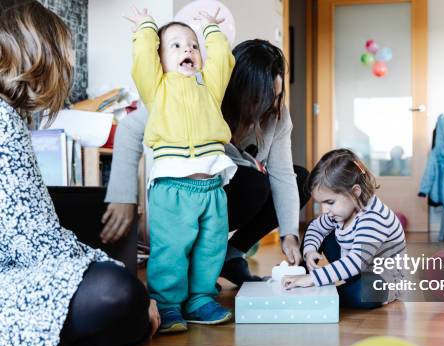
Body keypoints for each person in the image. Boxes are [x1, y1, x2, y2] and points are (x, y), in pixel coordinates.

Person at [0, 1, 157, 346]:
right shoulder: (4, 121)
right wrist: (119, 272)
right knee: (118, 292)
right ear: (38, 54)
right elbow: (38, 244)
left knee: (119, 291)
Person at [102, 39, 309, 285]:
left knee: (301, 179)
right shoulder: (196, 90)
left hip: (227, 195)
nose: (269, 107)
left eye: (274, 97)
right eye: (260, 99)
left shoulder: (276, 113)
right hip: (186, 196)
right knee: (252, 183)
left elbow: (283, 174)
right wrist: (123, 197)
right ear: (236, 88)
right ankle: (192, 263)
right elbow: (129, 128)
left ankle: (230, 258)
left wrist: (289, 235)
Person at [124, 6, 236, 332]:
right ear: (160, 60)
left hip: (212, 188)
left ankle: (199, 298)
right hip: (171, 188)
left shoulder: (210, 88)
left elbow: (223, 62)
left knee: (210, 248)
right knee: (171, 250)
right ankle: (169, 302)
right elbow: (142, 61)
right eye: (175, 45)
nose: (187, 49)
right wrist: (146, 28)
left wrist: (212, 31)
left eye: (193, 45)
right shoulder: (157, 88)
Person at [282, 149, 406, 309]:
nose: (324, 210)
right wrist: (310, 250)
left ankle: (324, 292)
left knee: (365, 291)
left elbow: (356, 262)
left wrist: (315, 279)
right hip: (355, 272)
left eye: (330, 202)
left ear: (355, 192)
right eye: (321, 204)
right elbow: (315, 227)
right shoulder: (340, 211)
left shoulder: (373, 217)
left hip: (380, 281)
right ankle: (302, 275)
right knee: (319, 229)